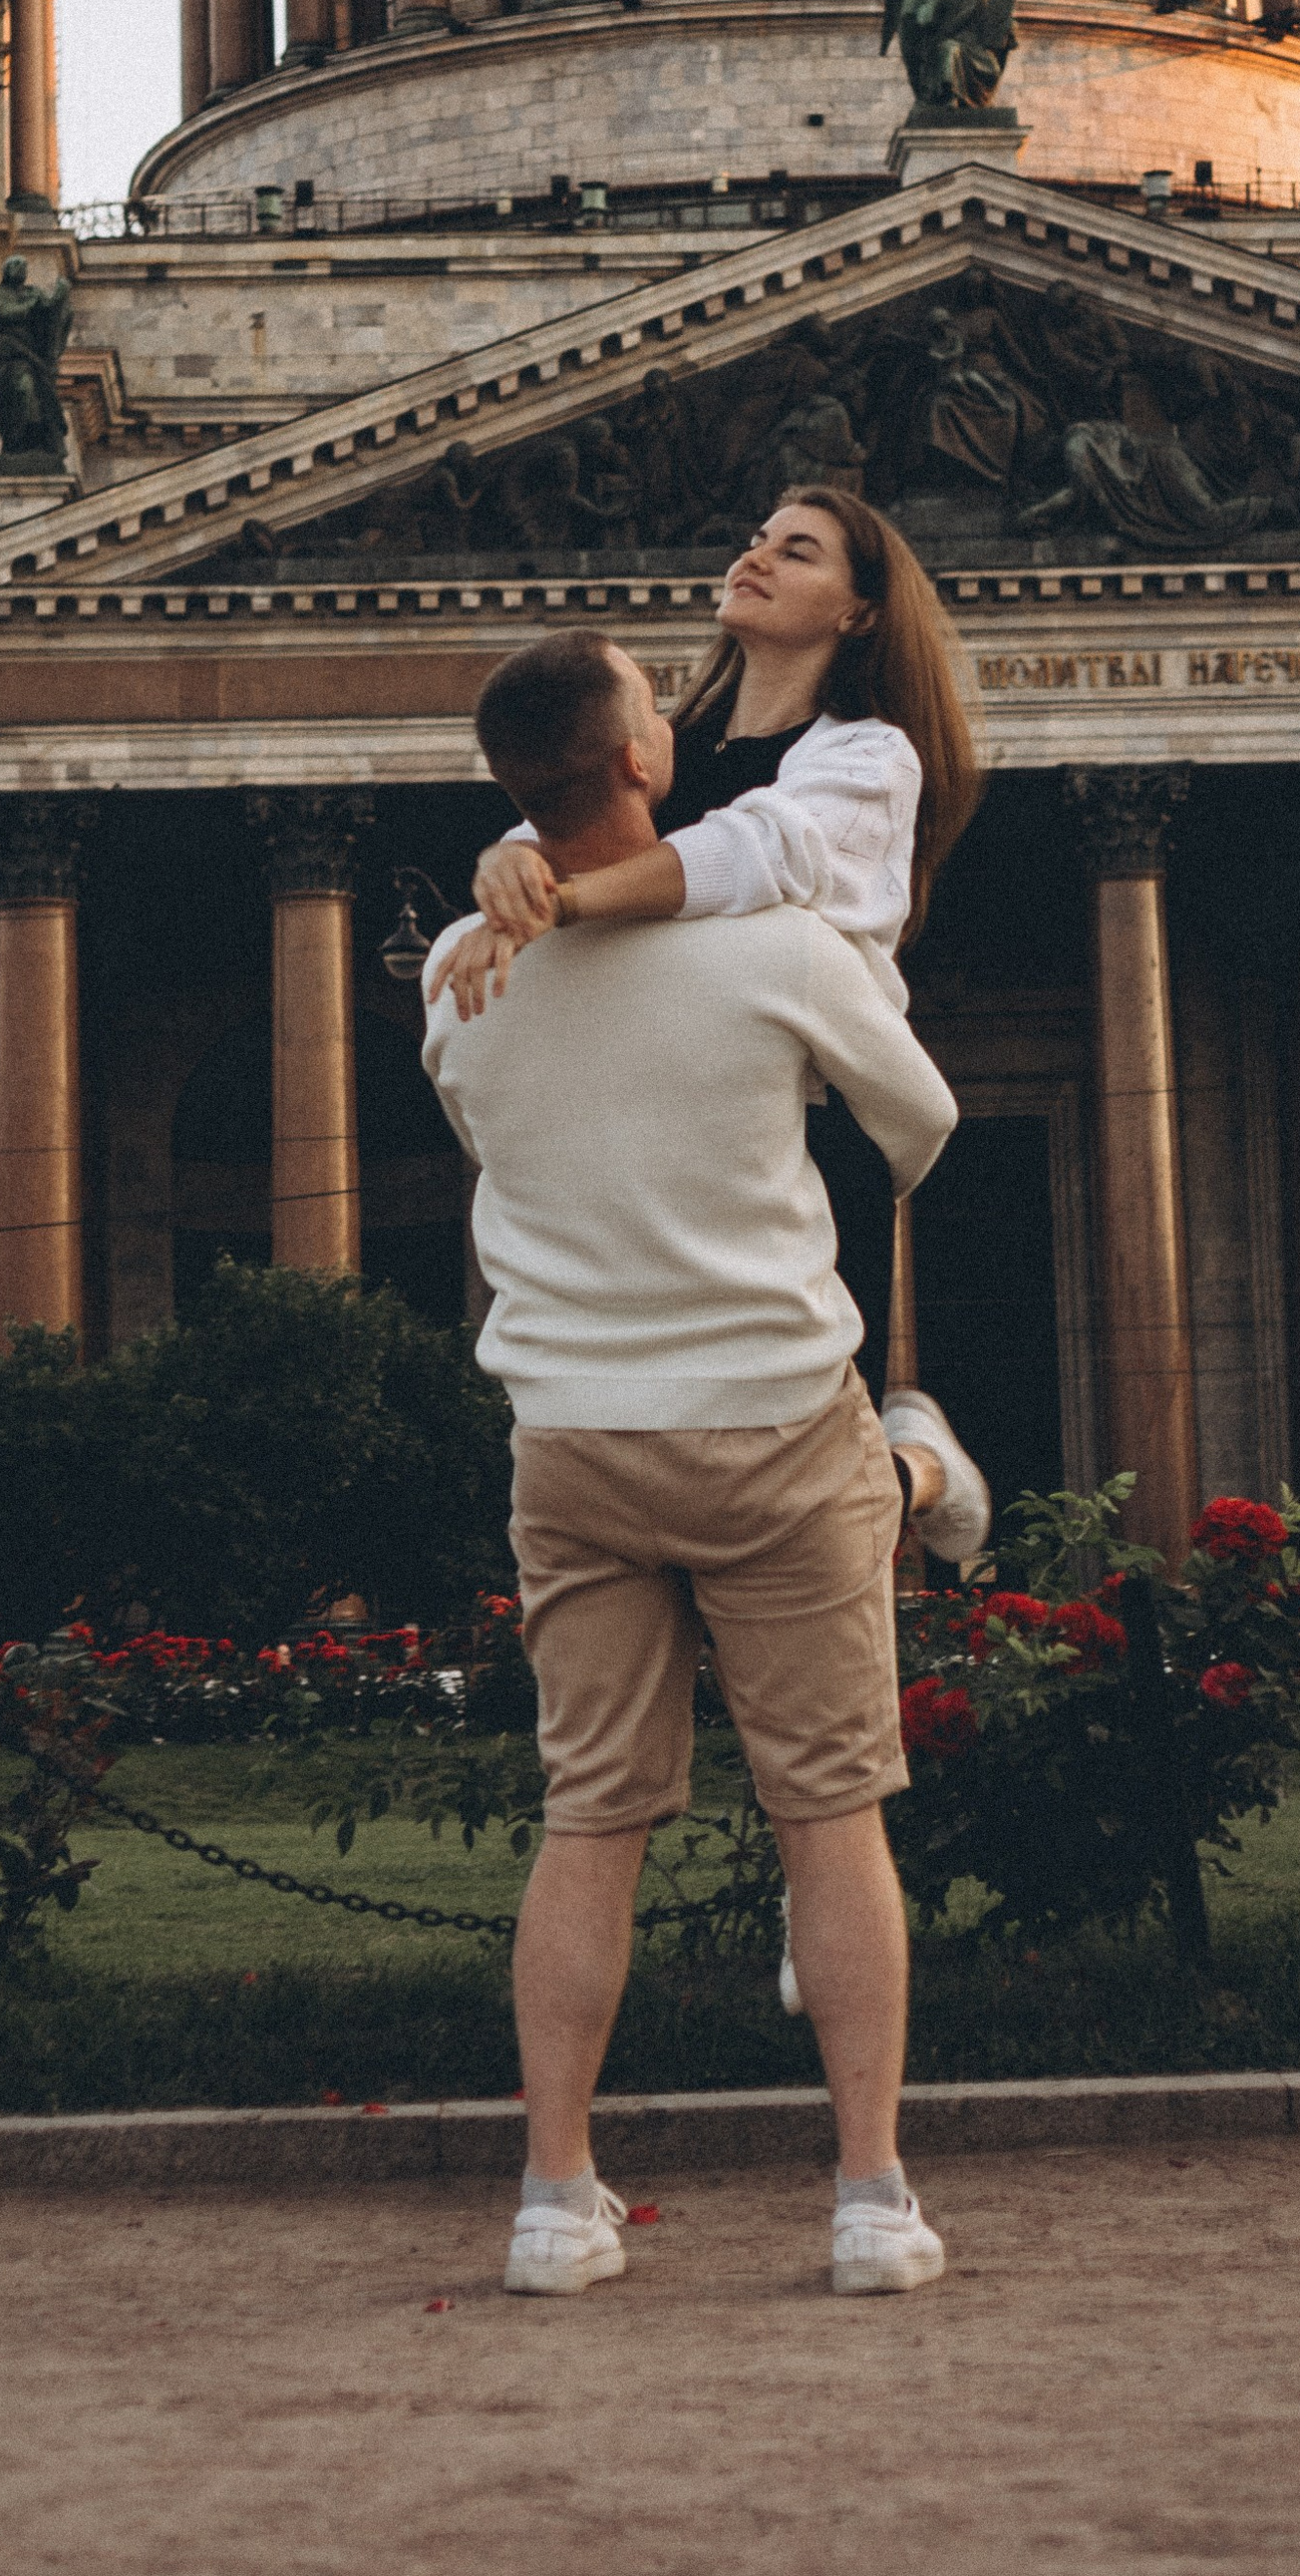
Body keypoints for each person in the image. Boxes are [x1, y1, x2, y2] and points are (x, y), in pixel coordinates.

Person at [425, 628, 988, 2301]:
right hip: (768, 1415)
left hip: (573, 1436)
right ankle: (871, 2198)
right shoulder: (780, 948)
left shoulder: (458, 970)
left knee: (590, 1820)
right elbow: (923, 1123)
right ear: (648, 761)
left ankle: (554, 2202)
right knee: (830, 1816)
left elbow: (493, 1130)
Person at [436, 485, 982, 1353]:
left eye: (797, 551)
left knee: (804, 1405)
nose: (755, 556)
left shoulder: (869, 755)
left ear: (859, 613)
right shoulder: (667, 743)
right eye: (757, 538)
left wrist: (556, 902)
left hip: (801, 1143)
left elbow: (754, 852)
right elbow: (575, 813)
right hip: (665, 1112)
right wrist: (511, 861)